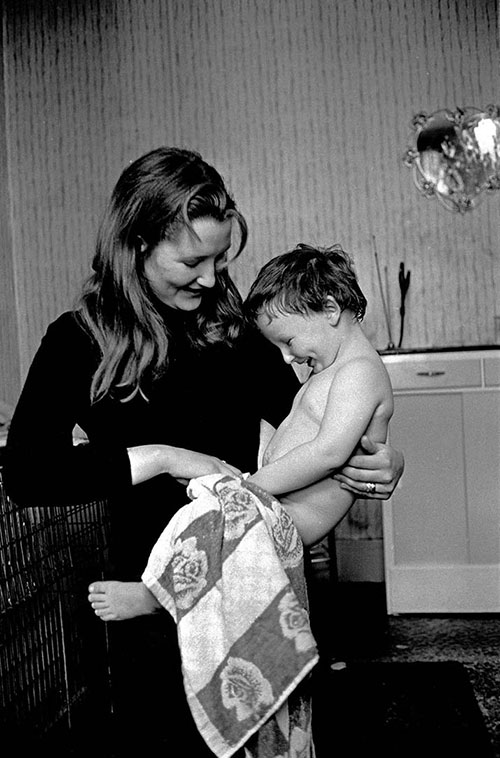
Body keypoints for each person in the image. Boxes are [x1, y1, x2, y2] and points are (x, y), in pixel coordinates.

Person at [4, 146, 404, 756]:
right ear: (137, 242)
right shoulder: (77, 341)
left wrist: (383, 462)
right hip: (159, 619)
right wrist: (162, 456)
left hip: (262, 596)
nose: (213, 278)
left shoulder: (235, 332)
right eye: (193, 260)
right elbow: (29, 474)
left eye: (221, 259)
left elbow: (318, 418)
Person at [88, 241, 394, 619]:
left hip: (295, 514)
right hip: (280, 501)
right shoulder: (330, 370)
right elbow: (286, 428)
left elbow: (327, 453)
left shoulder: (359, 371)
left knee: (215, 535)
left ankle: (153, 597)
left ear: (330, 309)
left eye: (289, 341)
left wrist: (249, 488)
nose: (287, 357)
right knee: (209, 533)